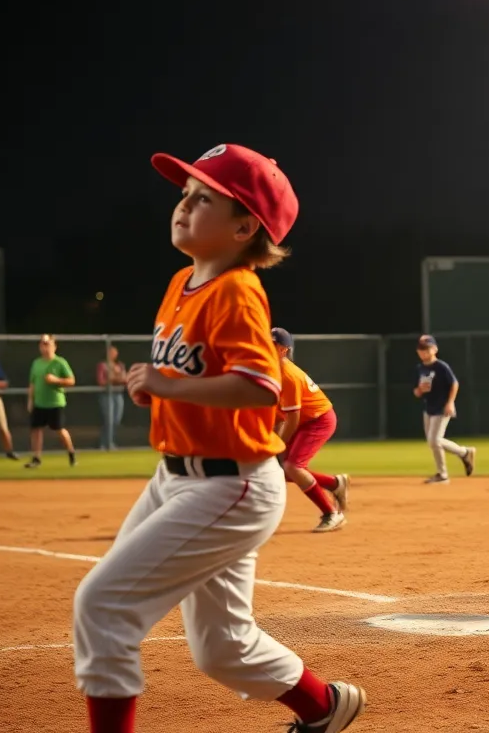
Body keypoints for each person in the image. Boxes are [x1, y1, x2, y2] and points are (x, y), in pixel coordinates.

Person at [72, 143, 364, 733]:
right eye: (184, 194)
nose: (184, 205)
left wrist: (169, 385)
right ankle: (326, 709)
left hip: (228, 487)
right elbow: (193, 374)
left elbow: (259, 388)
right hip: (176, 478)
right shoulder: (184, 279)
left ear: (244, 226)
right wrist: (157, 387)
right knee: (222, 648)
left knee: (103, 607)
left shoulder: (237, 290)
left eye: (204, 197)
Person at [271, 327, 349, 533]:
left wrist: (278, 444)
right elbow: (280, 415)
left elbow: (293, 417)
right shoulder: (269, 371)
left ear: (283, 350)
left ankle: (332, 514)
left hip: (318, 420)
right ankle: (334, 483)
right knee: (284, 471)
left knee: (293, 467)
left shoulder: (287, 375)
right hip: (302, 420)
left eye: (273, 344)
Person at [414, 334, 476, 484]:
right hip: (429, 407)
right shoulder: (420, 368)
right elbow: (418, 391)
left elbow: (454, 383)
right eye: (421, 349)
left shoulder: (441, 366)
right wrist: (419, 391)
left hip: (442, 407)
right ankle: (464, 453)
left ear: (435, 349)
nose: (424, 352)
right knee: (432, 442)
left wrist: (450, 402)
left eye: (427, 349)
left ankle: (443, 475)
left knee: (435, 440)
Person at [26, 334, 77, 468]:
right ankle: (36, 458)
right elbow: (32, 384)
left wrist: (56, 380)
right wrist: (30, 400)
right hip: (39, 403)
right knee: (36, 430)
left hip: (55, 402)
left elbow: (71, 380)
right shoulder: (36, 363)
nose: (45, 347)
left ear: (54, 346)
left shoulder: (60, 362)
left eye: (47, 344)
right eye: (43, 344)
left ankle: (71, 453)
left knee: (59, 430)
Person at [96, 344, 128, 450]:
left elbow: (125, 380)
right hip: (107, 395)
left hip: (118, 394)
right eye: (110, 352)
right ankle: (104, 443)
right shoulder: (103, 365)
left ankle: (111, 442)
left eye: (114, 352)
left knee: (116, 420)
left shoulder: (120, 365)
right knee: (108, 419)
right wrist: (115, 378)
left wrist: (113, 378)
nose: (112, 354)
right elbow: (101, 381)